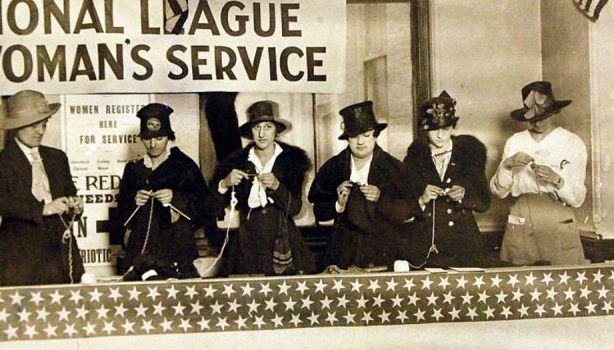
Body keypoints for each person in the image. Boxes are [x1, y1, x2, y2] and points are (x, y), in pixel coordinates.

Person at [0, 90, 85, 287]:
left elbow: (69, 193)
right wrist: (43, 209)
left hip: (58, 250)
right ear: (17, 127)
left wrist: (75, 204)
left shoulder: (57, 158)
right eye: (34, 126)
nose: (40, 131)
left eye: (44, 124)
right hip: (19, 251)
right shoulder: (0, 162)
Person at [207, 100, 316, 276]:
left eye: (268, 127)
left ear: (276, 130)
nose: (262, 134)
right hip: (246, 243)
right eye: (257, 127)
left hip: (284, 242)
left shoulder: (293, 161)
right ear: (250, 131)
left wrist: (277, 186)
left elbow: (296, 210)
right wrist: (224, 184)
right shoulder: (236, 162)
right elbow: (209, 208)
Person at [308, 100, 416, 270]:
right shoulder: (334, 167)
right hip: (342, 250)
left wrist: (380, 199)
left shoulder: (393, 167)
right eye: (354, 136)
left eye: (366, 135)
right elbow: (319, 212)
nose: (360, 142)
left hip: (385, 249)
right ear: (347, 138)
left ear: (375, 135)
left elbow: (408, 211)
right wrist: (338, 204)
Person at [490, 81, 587, 265]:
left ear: (555, 112)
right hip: (522, 215)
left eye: (544, 115)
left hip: (557, 217)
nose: (538, 121)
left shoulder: (571, 142)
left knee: (561, 283)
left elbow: (577, 198)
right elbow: (499, 192)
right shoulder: (515, 141)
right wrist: (507, 164)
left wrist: (557, 180)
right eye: (533, 117)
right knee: (519, 283)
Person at [110, 103, 208, 279]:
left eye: (159, 138)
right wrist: (134, 200)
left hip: (177, 246)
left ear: (169, 137)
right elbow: (120, 214)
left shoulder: (184, 166)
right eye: (147, 139)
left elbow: (207, 205)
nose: (153, 144)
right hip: (141, 246)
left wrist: (176, 198)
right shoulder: (133, 169)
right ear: (141, 139)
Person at [403, 91, 492, 268]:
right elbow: (404, 207)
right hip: (425, 244)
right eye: (434, 129)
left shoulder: (469, 154)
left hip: (464, 245)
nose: (440, 135)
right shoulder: (414, 159)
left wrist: (464, 196)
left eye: (446, 129)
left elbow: (484, 202)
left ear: (453, 128)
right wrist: (422, 198)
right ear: (425, 129)